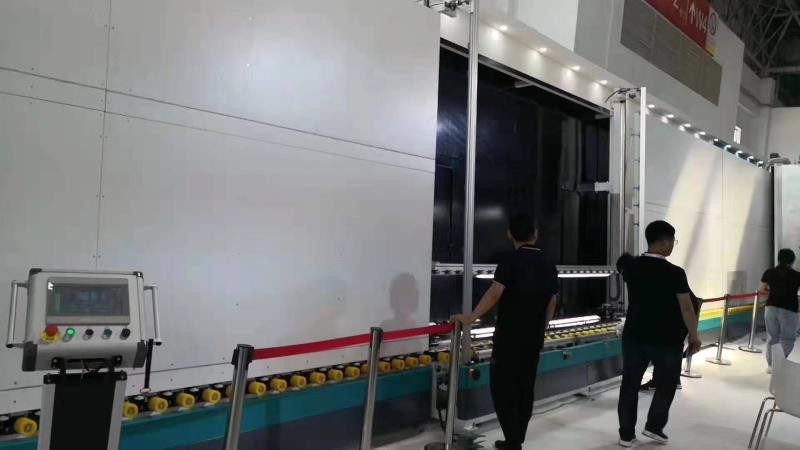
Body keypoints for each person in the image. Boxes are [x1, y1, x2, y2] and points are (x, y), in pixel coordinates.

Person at [452, 213, 558, 450]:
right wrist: (543, 325)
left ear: (510, 234)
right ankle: (515, 438)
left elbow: (495, 293)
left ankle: (513, 441)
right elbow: (552, 299)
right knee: (525, 389)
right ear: (536, 234)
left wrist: (470, 318)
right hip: (533, 339)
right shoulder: (548, 263)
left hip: (508, 338)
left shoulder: (509, 260)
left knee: (502, 390)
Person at [616, 220, 701, 448]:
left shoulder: (632, 268)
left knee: (630, 383)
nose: (673, 245)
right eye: (672, 241)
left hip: (634, 335)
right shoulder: (675, 273)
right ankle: (654, 425)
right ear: (664, 242)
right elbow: (686, 307)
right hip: (666, 338)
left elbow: (624, 264)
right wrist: (694, 335)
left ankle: (626, 434)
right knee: (667, 381)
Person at [760, 248, 800, 372]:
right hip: (789, 309)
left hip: (771, 308)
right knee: (787, 338)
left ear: (779, 259)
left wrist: (773, 289)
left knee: (772, 337)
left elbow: (762, 289)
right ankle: (781, 364)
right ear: (792, 260)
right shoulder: (797, 275)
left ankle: (771, 366)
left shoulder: (769, 272)